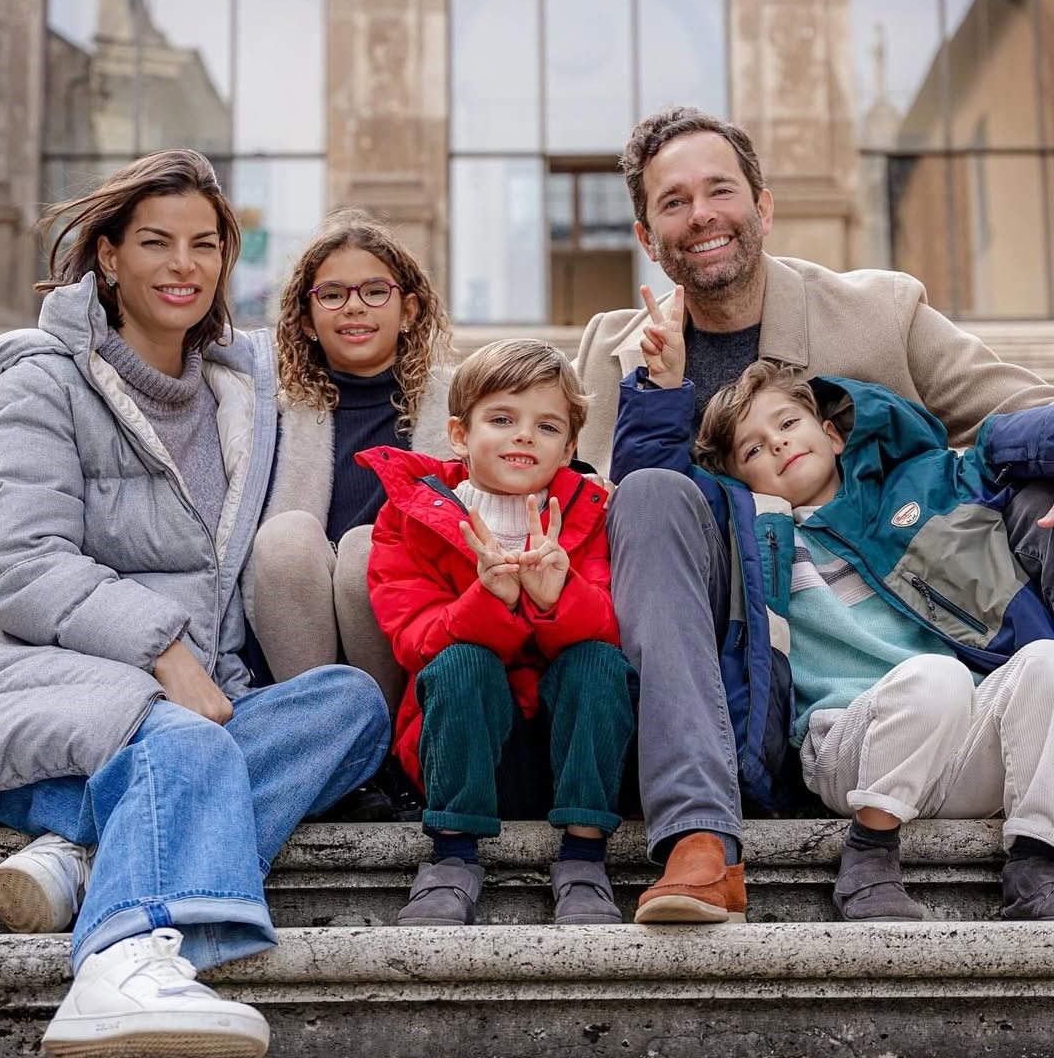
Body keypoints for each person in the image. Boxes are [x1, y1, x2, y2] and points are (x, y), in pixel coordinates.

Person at [575, 105, 1054, 924]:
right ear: (648, 237)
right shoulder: (617, 351)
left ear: (762, 206)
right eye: (675, 202)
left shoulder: (879, 313)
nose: (702, 216)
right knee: (649, 497)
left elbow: (1019, 412)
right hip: (734, 626)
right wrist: (661, 391)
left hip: (916, 621)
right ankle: (699, 836)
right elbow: (598, 524)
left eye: (720, 191)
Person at [0, 151, 389, 1057]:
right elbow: (23, 566)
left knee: (352, 707)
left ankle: (91, 853)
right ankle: (125, 957)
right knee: (187, 738)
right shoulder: (41, 379)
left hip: (192, 708)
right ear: (109, 256)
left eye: (205, 244)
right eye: (156, 241)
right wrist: (167, 655)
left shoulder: (241, 394)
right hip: (43, 686)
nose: (183, 264)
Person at [691, 360, 1054, 922]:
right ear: (741, 479)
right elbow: (662, 482)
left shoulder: (920, 489)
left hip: (961, 743)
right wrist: (660, 393)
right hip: (849, 747)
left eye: (788, 423)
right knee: (937, 676)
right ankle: (869, 858)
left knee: (1045, 661)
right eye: (754, 450)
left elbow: (1007, 443)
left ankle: (1035, 863)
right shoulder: (752, 537)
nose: (779, 445)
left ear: (832, 434)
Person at [358, 340, 638, 926]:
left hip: (570, 756)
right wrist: (489, 602)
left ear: (569, 447)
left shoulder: (592, 513)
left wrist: (554, 596)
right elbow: (413, 638)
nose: (524, 436)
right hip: (464, 751)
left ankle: (584, 858)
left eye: (547, 425)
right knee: (463, 662)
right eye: (502, 419)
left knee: (598, 662)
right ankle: (452, 857)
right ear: (460, 434)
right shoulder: (410, 518)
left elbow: (616, 626)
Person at [244, 210, 452, 712]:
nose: (354, 308)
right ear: (307, 320)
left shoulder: (459, 404)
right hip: (293, 628)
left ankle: (383, 753)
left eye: (375, 291)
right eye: (333, 295)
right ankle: (323, 740)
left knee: (369, 546)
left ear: (409, 311)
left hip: (402, 631)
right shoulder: (266, 407)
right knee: (287, 535)